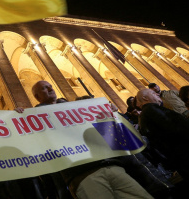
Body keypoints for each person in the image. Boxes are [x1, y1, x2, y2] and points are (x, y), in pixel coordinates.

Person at [19, 81, 153, 199]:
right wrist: (17, 116)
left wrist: (107, 111)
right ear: (37, 97)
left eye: (50, 86)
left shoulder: (74, 108)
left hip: (109, 164)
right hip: (82, 174)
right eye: (44, 88)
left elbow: (100, 129)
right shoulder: (35, 117)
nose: (50, 89)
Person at [136, 88, 189, 193]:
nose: (156, 93)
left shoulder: (146, 114)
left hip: (182, 159)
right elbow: (179, 127)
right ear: (145, 98)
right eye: (152, 93)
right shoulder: (151, 110)